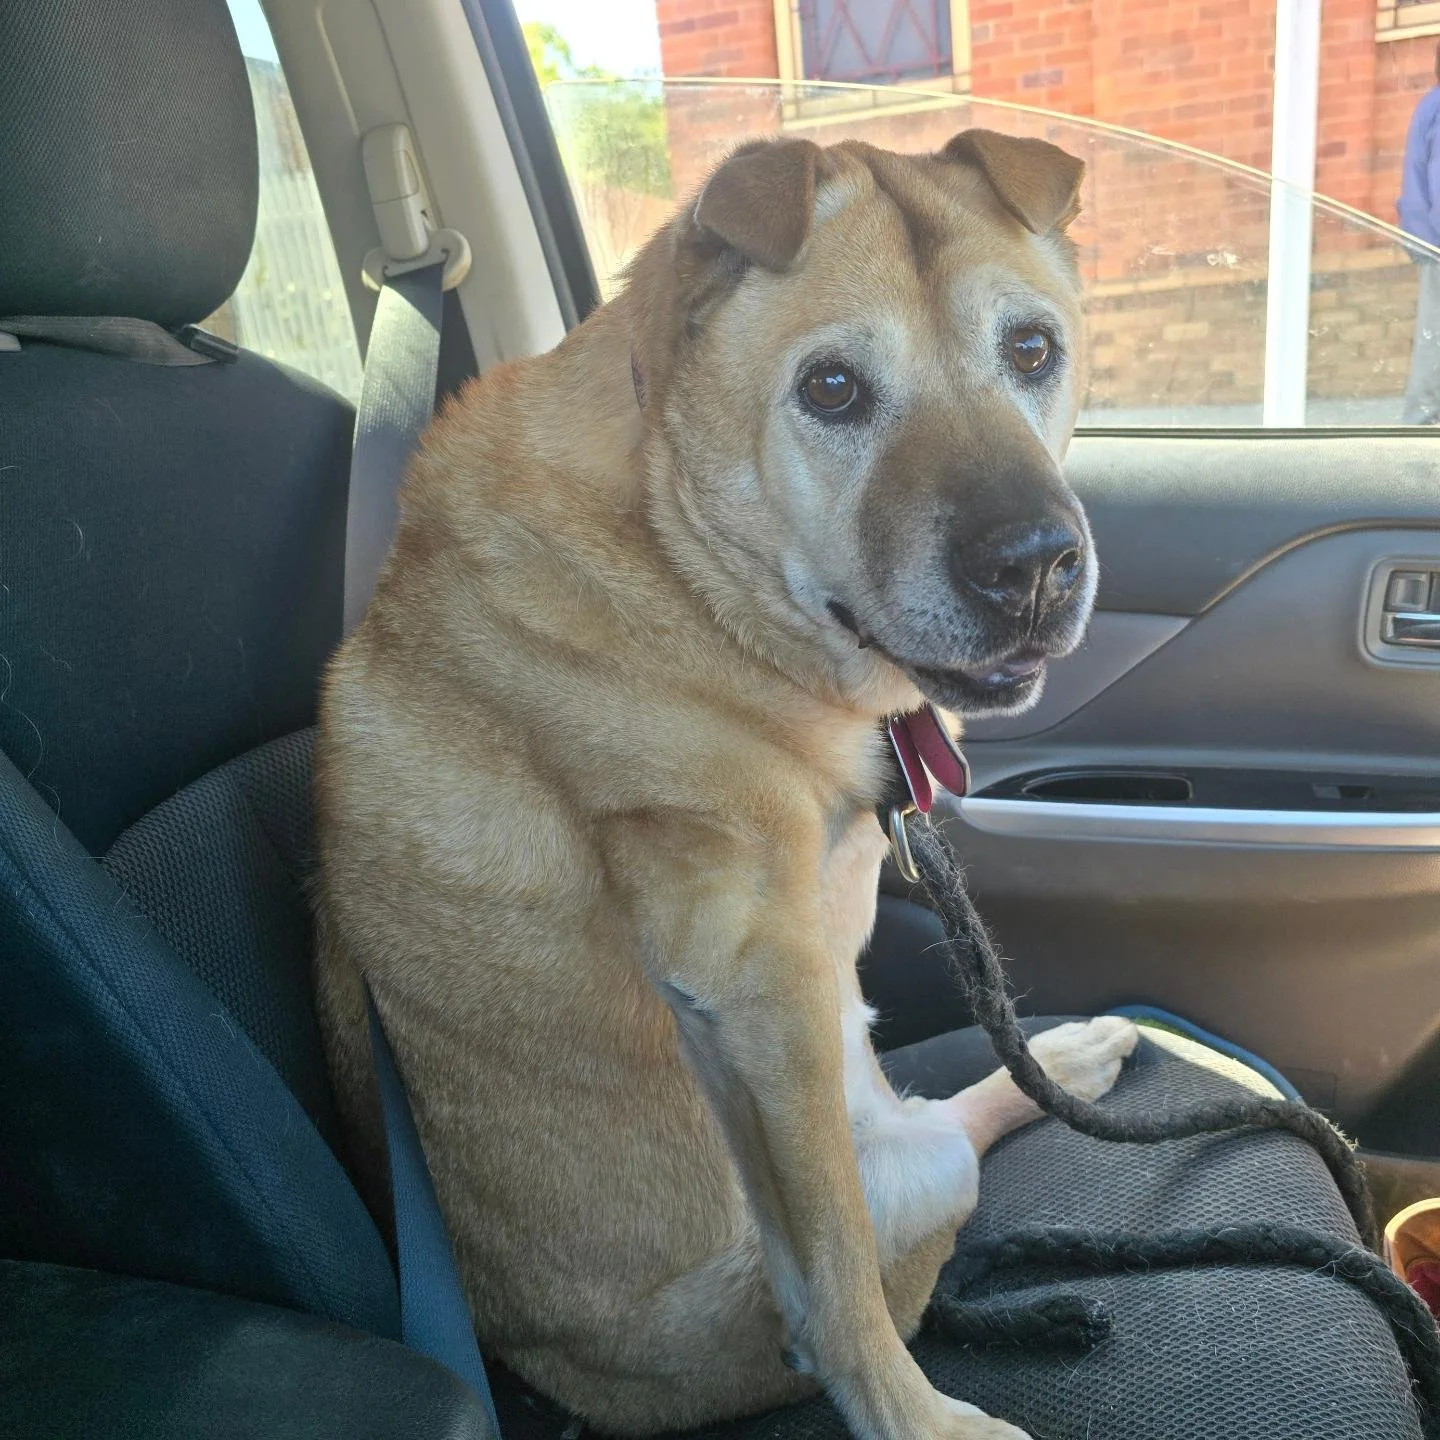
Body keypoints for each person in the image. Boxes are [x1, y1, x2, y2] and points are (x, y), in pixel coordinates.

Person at [1398, 42, 1440, 424]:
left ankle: (1422, 421)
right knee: (1434, 341)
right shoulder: (1434, 107)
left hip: (1432, 239)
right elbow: (1419, 181)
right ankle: (1421, 425)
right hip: (1437, 243)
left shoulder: (1430, 106)